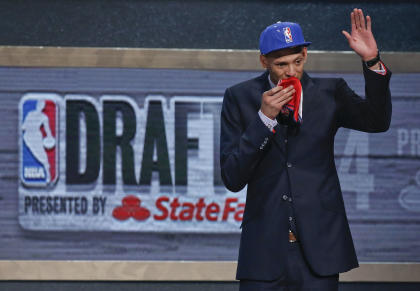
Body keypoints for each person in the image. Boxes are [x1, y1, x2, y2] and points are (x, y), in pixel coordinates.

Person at [220, 8, 391, 291]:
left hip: (320, 251)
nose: (291, 71)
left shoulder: (330, 92)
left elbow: (377, 121)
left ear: (306, 56)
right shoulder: (240, 98)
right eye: (281, 64)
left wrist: (372, 61)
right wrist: (263, 119)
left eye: (298, 61)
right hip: (263, 252)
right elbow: (232, 177)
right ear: (264, 61)